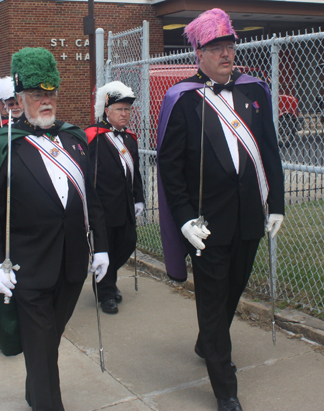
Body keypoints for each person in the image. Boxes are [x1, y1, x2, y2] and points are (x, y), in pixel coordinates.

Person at [157, 9, 284, 411]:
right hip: (206, 223)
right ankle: (225, 387)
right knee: (212, 299)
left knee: (232, 289)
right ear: (199, 53)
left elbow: (269, 149)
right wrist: (182, 219)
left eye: (230, 46)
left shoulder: (255, 90)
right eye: (217, 48)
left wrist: (276, 202)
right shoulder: (183, 98)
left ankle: (206, 340)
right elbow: (171, 168)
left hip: (249, 215)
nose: (227, 54)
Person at [0, 47, 109, 411]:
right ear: (19, 99)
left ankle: (36, 391)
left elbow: (90, 200)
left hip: (71, 264)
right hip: (27, 267)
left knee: (48, 339)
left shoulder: (75, 140)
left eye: (50, 94)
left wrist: (103, 246)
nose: (45, 102)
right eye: (36, 95)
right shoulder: (3, 146)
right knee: (42, 341)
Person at [85, 81, 144, 314]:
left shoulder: (130, 137)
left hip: (126, 204)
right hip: (103, 206)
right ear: (106, 110)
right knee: (105, 248)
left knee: (127, 243)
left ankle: (106, 277)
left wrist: (139, 197)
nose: (124, 114)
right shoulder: (93, 136)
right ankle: (106, 292)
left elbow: (135, 171)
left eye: (127, 109)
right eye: (119, 109)